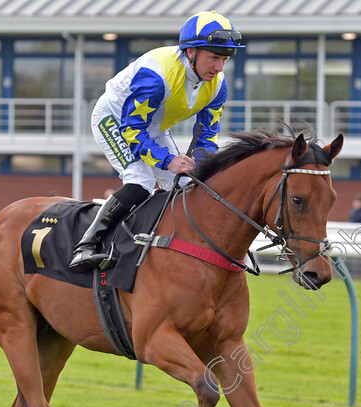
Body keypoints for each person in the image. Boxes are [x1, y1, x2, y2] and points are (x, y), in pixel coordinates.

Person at [69, 11, 245, 272]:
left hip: (152, 127)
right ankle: (87, 245)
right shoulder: (155, 76)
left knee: (188, 185)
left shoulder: (218, 85)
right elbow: (132, 130)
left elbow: (207, 135)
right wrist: (168, 160)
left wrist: (201, 166)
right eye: (214, 58)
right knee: (139, 180)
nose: (219, 68)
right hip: (116, 121)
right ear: (191, 52)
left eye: (224, 60)